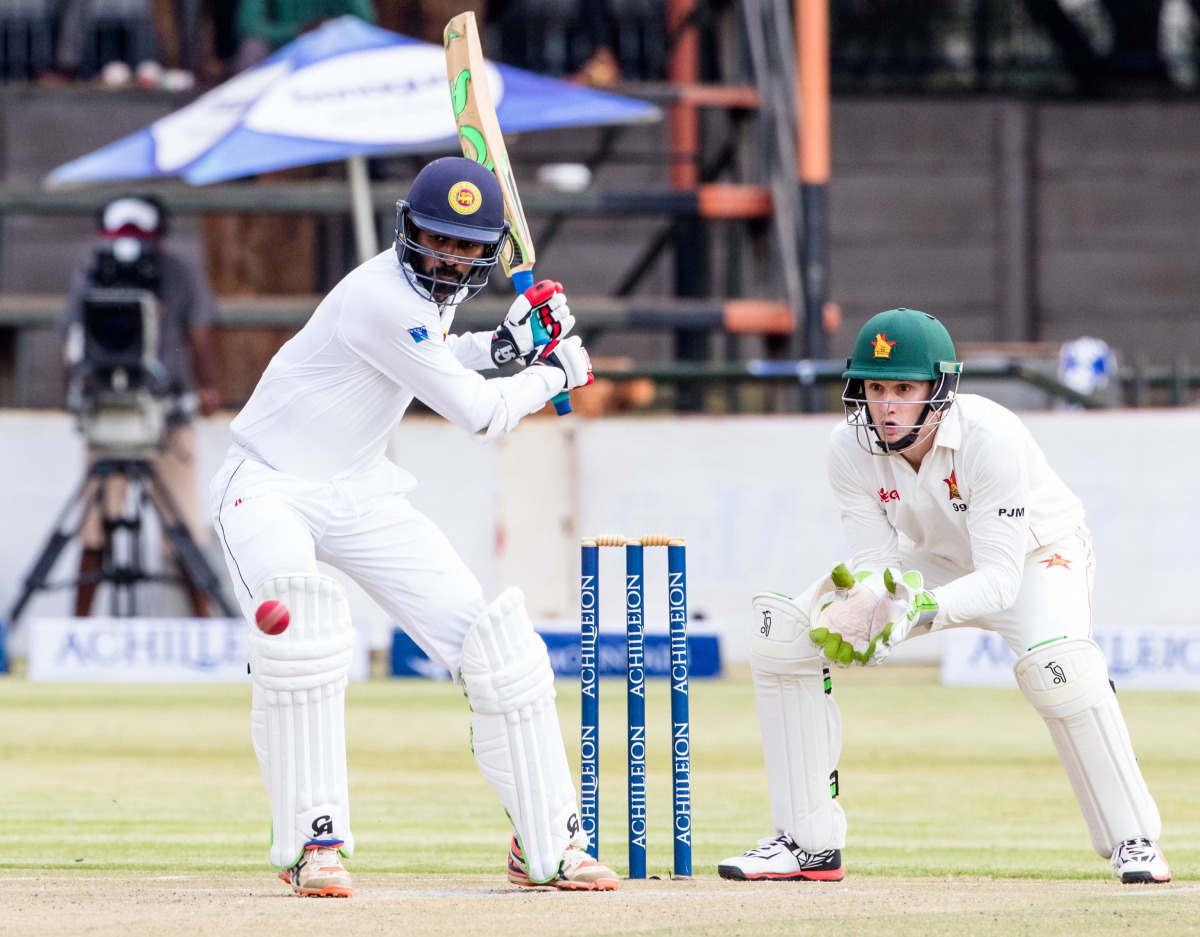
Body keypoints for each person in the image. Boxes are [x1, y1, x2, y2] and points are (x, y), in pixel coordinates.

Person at [209, 156, 612, 898]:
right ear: (407, 231)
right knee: (304, 639)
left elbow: (432, 359)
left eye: (466, 248)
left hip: (362, 491)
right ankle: (315, 843)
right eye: (436, 241)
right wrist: (558, 372)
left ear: (488, 250)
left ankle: (549, 839)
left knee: (500, 648)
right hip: (268, 487)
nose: (449, 259)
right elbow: (480, 412)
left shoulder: (427, 303)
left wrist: (504, 346)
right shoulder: (378, 296)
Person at [718, 307, 1170, 885]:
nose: (885, 406)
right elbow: (876, 563)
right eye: (875, 387)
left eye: (904, 388)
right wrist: (872, 610)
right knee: (785, 638)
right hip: (930, 560)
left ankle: (1134, 841)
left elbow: (1001, 580)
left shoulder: (991, 436)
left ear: (940, 389)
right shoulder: (847, 447)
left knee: (1060, 666)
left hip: (1036, 556)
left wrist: (915, 612)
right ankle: (807, 843)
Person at [61, 194, 222, 617]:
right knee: (95, 527)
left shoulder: (179, 274)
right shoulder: (90, 276)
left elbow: (199, 335)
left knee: (184, 527)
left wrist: (207, 388)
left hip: (166, 414)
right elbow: (73, 341)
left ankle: (205, 625)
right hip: (108, 414)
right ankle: (77, 628)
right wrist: (76, 387)